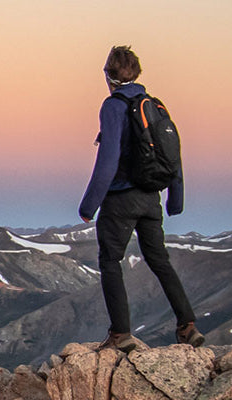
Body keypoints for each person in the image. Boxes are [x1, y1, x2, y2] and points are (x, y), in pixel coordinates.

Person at [78, 45, 204, 351]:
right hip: (151, 198)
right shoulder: (155, 105)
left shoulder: (113, 106)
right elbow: (172, 155)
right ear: (137, 73)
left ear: (108, 75)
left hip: (121, 198)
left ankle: (120, 335)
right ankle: (188, 326)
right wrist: (176, 200)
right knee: (159, 260)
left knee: (110, 261)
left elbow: (107, 161)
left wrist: (89, 205)